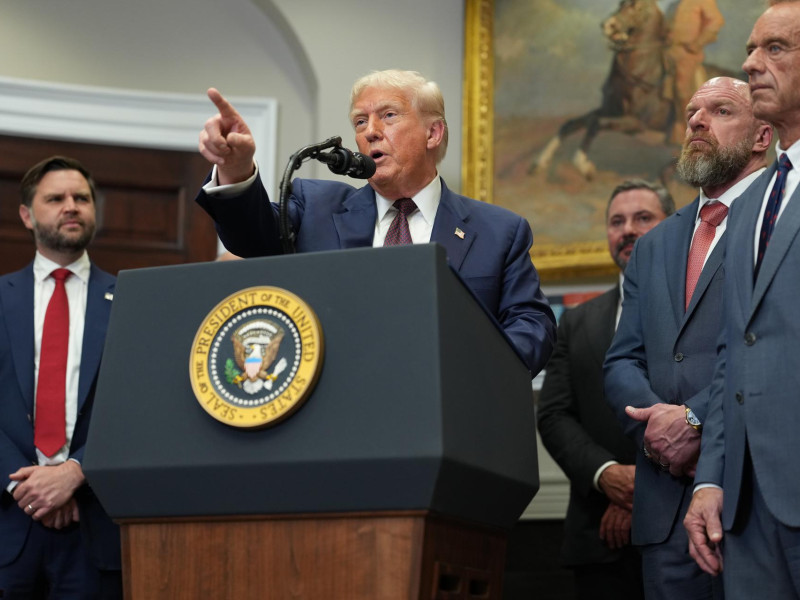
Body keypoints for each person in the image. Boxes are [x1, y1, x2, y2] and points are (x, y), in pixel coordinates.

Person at [195, 69, 556, 376]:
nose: (370, 131)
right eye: (360, 121)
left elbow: (532, 327)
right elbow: (250, 237)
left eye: (388, 116)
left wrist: (464, 370)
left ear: (433, 134)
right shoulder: (316, 208)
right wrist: (235, 167)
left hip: (449, 416)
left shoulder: (499, 232)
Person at [603, 76, 772, 600]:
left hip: (753, 496)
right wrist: (660, 430)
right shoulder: (655, 245)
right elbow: (621, 361)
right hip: (665, 507)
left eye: (720, 111)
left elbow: (769, 349)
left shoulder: (779, 221)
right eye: (692, 113)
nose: (697, 121)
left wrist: (695, 420)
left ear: (763, 136)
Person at [684, 3, 800, 598]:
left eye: (776, 48)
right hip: (746, 511)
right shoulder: (750, 206)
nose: (753, 63)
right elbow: (737, 353)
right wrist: (709, 480)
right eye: (752, 50)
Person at [537, 179, 673, 600]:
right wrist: (608, 476)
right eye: (617, 221)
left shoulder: (698, 307)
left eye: (643, 218)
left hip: (683, 525)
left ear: (673, 226)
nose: (628, 229)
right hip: (598, 538)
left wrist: (642, 491)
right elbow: (554, 415)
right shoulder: (576, 323)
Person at [0, 157, 122, 598]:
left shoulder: (132, 302)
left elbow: (139, 407)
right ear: (27, 215)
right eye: (56, 199)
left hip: (96, 526)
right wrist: (27, 486)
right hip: (9, 526)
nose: (71, 207)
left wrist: (74, 471)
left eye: (81, 198)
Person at [666, 0, 725, 144]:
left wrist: (697, 43)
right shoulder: (676, 4)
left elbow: (716, 21)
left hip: (687, 53)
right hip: (669, 51)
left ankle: (687, 131)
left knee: (682, 88)